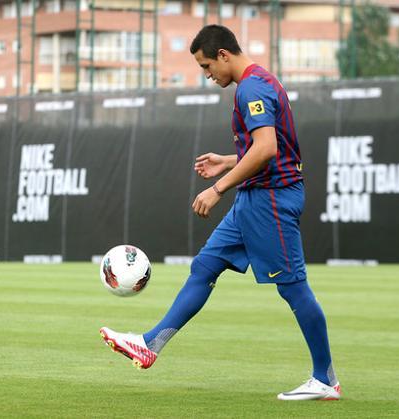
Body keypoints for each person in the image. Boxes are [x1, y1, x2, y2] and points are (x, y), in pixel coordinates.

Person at [99, 24, 340, 401]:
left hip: (270, 201)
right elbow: (269, 146)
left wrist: (217, 187)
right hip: (253, 198)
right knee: (205, 267)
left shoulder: (253, 88)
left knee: (293, 288)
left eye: (207, 67)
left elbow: (267, 150)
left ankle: (325, 379)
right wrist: (228, 161)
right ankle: (150, 345)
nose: (207, 75)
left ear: (224, 55)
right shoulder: (256, 83)